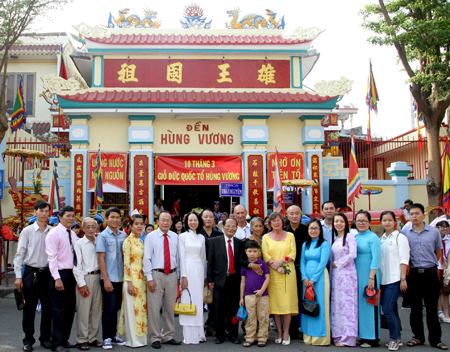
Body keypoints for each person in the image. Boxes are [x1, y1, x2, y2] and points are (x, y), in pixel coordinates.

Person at [401, 204, 448, 349]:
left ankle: (435, 339)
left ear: (423, 215)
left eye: (417, 213)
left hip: (430, 274)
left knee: (431, 308)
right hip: (413, 274)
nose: (414, 216)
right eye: (411, 214)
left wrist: (431, 265)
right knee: (415, 309)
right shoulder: (405, 231)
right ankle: (418, 337)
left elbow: (438, 252)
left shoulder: (434, 232)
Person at [14, 201, 53, 351]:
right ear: (35, 212)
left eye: (46, 211)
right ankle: (28, 340)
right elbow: (19, 255)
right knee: (29, 308)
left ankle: (45, 339)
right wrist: (18, 276)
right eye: (41, 211)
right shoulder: (27, 231)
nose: (44, 214)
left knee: (47, 308)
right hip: (31, 272)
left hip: (48, 272)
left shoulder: (52, 231)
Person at [143, 210, 182, 349]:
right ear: (157, 222)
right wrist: (149, 278)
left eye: (168, 220)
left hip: (172, 274)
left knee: (170, 307)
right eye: (162, 220)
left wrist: (178, 276)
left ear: (171, 223)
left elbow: (178, 257)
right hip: (156, 274)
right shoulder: (151, 237)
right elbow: (146, 258)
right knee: (154, 307)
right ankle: (154, 337)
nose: (165, 222)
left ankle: (168, 335)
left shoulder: (175, 237)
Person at [45, 206, 79, 352]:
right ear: (60, 217)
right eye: (68, 216)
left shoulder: (73, 234)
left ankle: (64, 339)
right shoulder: (54, 234)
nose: (71, 218)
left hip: (72, 274)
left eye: (73, 216)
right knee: (58, 310)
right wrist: (57, 278)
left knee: (70, 309)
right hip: (59, 274)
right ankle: (56, 342)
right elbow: (51, 257)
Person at [261, 212, 298, 346]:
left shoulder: (290, 236)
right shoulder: (265, 237)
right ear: (270, 224)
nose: (276, 223)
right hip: (273, 273)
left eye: (278, 220)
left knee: (287, 303)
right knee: (275, 303)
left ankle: (287, 331)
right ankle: (279, 332)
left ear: (283, 222)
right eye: (273, 221)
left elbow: (293, 252)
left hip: (287, 272)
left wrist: (281, 262)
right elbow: (265, 253)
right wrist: (276, 266)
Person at [207, 218, 243, 344]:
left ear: (236, 229)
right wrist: (210, 280)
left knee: (233, 309)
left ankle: (233, 334)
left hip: (234, 280)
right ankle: (220, 335)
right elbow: (210, 263)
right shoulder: (214, 241)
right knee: (218, 309)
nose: (230, 228)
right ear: (223, 227)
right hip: (219, 280)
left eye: (233, 226)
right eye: (228, 226)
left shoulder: (239, 243)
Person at [96, 207, 128, 350]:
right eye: (112, 217)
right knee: (108, 308)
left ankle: (114, 334)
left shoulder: (123, 235)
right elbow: (101, 259)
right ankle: (106, 337)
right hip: (109, 278)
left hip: (121, 277)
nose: (115, 220)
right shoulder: (102, 236)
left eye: (117, 217)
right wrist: (106, 279)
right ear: (107, 219)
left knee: (116, 308)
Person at [379, 211, 410, 351]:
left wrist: (403, 278)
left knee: (387, 309)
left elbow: (404, 259)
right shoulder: (382, 239)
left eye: (389, 220)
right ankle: (397, 336)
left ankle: (393, 339)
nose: (387, 223)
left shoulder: (400, 238)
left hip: (395, 279)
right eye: (384, 220)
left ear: (395, 221)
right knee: (392, 309)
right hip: (383, 279)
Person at [73, 218, 103, 350]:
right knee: (84, 310)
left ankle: (92, 337)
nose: (91, 229)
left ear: (97, 228)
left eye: (93, 226)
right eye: (88, 227)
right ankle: (82, 338)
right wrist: (81, 283)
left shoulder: (99, 242)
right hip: (85, 278)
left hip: (98, 277)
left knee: (96, 310)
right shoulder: (79, 244)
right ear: (83, 229)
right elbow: (76, 265)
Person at [118, 215, 147, 347]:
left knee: (141, 308)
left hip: (141, 279)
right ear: (130, 226)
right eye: (136, 224)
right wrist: (129, 281)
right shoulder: (128, 241)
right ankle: (132, 340)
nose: (139, 226)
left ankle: (141, 339)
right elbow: (126, 263)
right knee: (132, 309)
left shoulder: (140, 241)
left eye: (141, 223)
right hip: (132, 279)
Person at [301, 219, 331, 346]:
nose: (313, 231)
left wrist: (313, 279)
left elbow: (323, 262)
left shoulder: (324, 244)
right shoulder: (305, 244)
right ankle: (308, 336)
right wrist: (304, 278)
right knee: (308, 304)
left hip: (319, 279)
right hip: (306, 279)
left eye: (316, 228)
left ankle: (320, 337)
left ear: (320, 230)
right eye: (311, 228)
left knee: (320, 305)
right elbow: (302, 261)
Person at [178, 212, 207, 344]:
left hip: (199, 271)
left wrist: (205, 276)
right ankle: (189, 336)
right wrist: (183, 276)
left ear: (199, 222)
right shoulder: (182, 237)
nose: (193, 223)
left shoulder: (201, 238)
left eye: (195, 220)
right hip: (187, 270)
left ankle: (200, 333)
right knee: (187, 300)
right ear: (186, 222)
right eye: (190, 220)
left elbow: (203, 258)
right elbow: (181, 258)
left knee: (198, 300)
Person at [330, 212, 358, 347]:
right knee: (337, 305)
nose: (339, 224)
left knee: (348, 305)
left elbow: (353, 254)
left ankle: (348, 337)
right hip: (336, 276)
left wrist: (338, 263)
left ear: (346, 223)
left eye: (341, 221)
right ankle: (338, 334)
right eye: (336, 221)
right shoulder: (335, 239)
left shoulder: (350, 236)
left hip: (347, 275)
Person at [355, 210, 381, 347]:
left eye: (364, 221)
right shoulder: (356, 237)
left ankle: (372, 338)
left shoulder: (373, 237)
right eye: (358, 221)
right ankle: (363, 335)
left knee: (370, 305)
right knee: (360, 305)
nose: (361, 223)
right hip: (357, 274)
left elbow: (376, 258)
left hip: (369, 274)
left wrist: (371, 277)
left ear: (369, 222)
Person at [239, 240, 271, 347]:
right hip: (248, 295)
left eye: (254, 251)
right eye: (250, 251)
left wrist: (262, 290)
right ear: (246, 252)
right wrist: (241, 297)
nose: (252, 254)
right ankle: (250, 337)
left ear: (258, 252)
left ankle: (262, 336)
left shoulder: (263, 264)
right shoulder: (245, 266)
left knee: (263, 316)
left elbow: (267, 278)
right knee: (250, 316)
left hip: (263, 295)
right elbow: (243, 282)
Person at [284, 205, 308, 340]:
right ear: (287, 215)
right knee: (291, 300)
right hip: (288, 270)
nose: (294, 216)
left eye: (297, 213)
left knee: (304, 299)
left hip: (304, 270)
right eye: (291, 213)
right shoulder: (284, 232)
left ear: (301, 215)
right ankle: (292, 330)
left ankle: (306, 329)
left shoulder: (307, 230)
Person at [199, 208, 221, 336]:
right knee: (199, 298)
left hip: (214, 270)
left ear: (214, 219)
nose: (208, 219)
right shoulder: (197, 234)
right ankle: (197, 326)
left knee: (213, 299)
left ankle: (212, 325)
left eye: (210, 217)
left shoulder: (218, 234)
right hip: (199, 269)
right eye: (205, 217)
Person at [436, 219, 450, 323]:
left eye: (446, 227)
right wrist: (444, 267)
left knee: (445, 291)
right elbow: (439, 254)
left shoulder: (448, 239)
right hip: (438, 267)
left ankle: (446, 314)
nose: (444, 229)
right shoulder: (436, 239)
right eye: (442, 227)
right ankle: (440, 311)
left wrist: (448, 268)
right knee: (438, 290)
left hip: (446, 267)